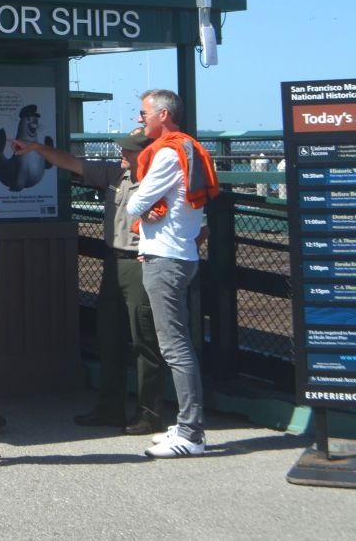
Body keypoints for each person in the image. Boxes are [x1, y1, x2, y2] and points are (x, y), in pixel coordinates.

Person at [11, 130, 166, 434]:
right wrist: (36, 148)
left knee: (144, 338)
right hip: (113, 261)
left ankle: (149, 412)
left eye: (129, 151)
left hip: (140, 262)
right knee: (109, 333)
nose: (123, 154)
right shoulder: (115, 175)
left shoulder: (159, 182)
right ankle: (110, 407)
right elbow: (73, 163)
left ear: (145, 154)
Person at [128, 88, 218, 459]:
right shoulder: (192, 148)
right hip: (182, 254)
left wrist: (146, 206)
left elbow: (135, 202)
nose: (140, 118)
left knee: (175, 347)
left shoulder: (166, 152)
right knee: (177, 344)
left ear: (163, 115)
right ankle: (185, 424)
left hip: (164, 258)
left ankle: (191, 432)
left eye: (143, 112)